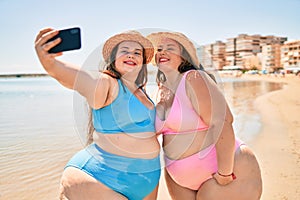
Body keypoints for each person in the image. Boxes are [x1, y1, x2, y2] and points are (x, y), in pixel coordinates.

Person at [34, 28, 161, 200]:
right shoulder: (107, 83)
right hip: (101, 179)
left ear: (142, 62)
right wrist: (52, 65)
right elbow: (82, 79)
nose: (131, 55)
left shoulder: (142, 92)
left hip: (147, 180)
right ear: (113, 59)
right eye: (124, 51)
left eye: (137, 53)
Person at [147, 31, 262, 200]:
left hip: (220, 171)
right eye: (159, 49)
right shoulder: (162, 90)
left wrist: (224, 173)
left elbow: (222, 121)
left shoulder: (194, 78)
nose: (162, 52)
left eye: (170, 48)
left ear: (184, 56)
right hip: (178, 179)